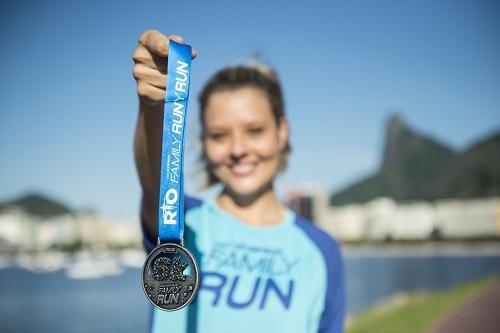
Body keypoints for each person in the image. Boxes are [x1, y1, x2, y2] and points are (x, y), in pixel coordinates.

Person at [132, 29, 346, 333]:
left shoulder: (321, 251)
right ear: (204, 142)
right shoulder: (180, 221)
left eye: (254, 130)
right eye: (219, 135)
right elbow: (155, 181)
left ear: (281, 130)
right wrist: (154, 107)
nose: (237, 150)